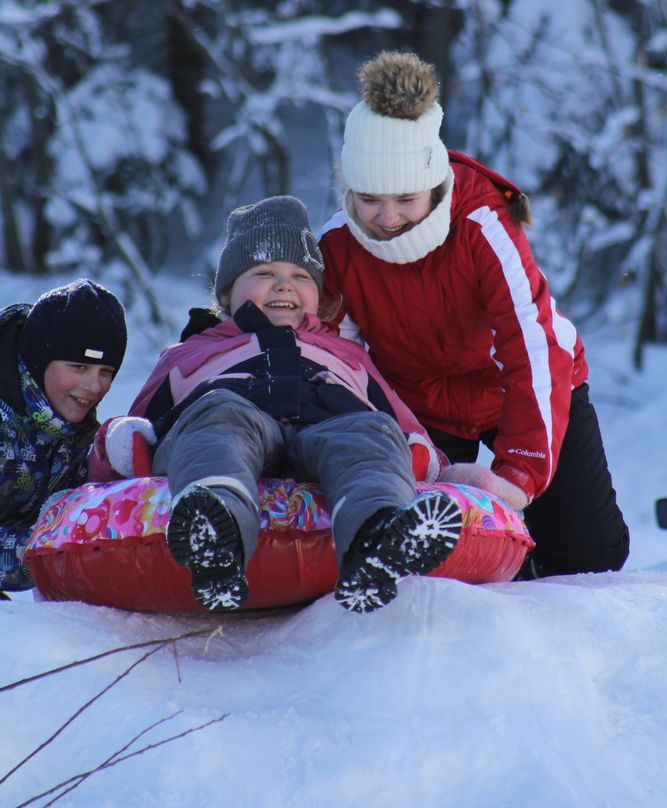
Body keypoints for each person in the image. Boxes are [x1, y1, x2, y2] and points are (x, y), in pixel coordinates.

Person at [318, 50, 630, 579]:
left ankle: (533, 549)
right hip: (420, 404)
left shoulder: (482, 224)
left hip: (520, 388)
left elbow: (532, 344)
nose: (387, 217)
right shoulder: (340, 244)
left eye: (405, 198)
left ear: (435, 183)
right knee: (428, 555)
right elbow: (336, 356)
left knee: (586, 556)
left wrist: (517, 478)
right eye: (369, 198)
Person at [89, 196, 464, 614]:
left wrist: (421, 455)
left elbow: (401, 425)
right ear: (229, 294)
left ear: (317, 294)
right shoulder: (190, 354)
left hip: (329, 424)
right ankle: (217, 529)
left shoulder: (347, 355)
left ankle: (375, 537)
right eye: (265, 272)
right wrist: (119, 446)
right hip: (235, 421)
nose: (284, 284)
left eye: (300, 275)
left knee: (366, 433)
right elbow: (137, 430)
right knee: (215, 420)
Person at [0, 279, 127, 594]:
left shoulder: (77, 435)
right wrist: (53, 545)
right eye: (79, 366)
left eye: (106, 371)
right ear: (40, 359)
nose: (94, 386)